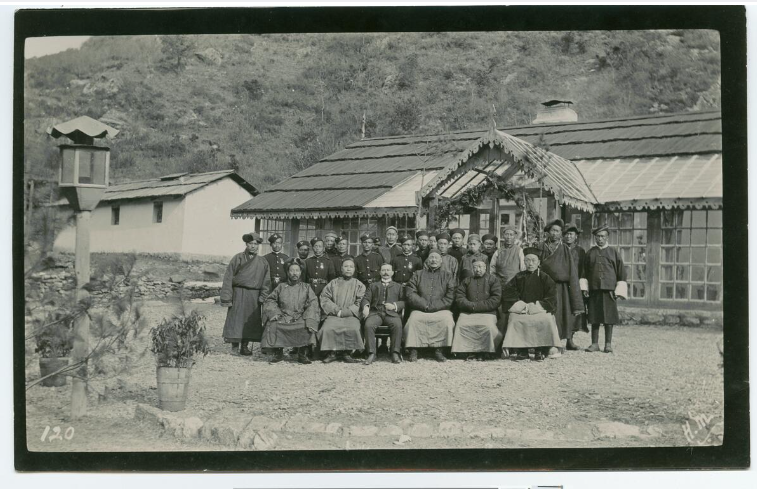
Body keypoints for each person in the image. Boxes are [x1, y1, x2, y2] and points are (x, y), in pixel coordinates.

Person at [501, 247, 562, 361]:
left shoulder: (545, 278)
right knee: (515, 319)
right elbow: (509, 293)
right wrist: (522, 306)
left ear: (539, 262)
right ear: (524, 261)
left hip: (539, 309)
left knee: (546, 319)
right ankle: (521, 350)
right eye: (528, 260)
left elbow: (551, 297)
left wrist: (536, 307)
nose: (530, 263)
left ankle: (541, 349)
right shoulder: (518, 277)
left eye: (534, 260)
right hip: (522, 309)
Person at [532, 219, 583, 355]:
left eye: (557, 231)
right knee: (545, 312)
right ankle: (543, 341)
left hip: (561, 287)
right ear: (548, 232)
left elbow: (572, 270)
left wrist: (575, 292)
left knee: (561, 313)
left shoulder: (565, 248)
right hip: (544, 286)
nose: (554, 233)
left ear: (561, 233)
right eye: (552, 230)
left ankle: (560, 341)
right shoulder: (541, 247)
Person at [220, 232, 272, 356]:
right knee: (236, 319)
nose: (253, 246)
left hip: (254, 295)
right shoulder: (237, 258)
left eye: (255, 244)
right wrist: (227, 296)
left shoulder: (263, 261)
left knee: (250, 320)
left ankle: (245, 346)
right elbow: (228, 277)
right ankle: (234, 345)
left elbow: (266, 281)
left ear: (258, 245)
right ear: (246, 244)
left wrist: (263, 296)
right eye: (250, 243)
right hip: (238, 292)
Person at [261, 259, 319, 364]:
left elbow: (313, 303)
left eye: (297, 270)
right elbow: (270, 300)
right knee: (274, 324)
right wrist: (275, 313)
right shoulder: (281, 287)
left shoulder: (306, 287)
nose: (294, 273)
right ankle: (278, 352)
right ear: (288, 272)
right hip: (283, 316)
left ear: (301, 272)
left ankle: (302, 354)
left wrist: (308, 317)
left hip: (300, 316)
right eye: (292, 270)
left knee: (306, 326)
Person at [404, 251, 457, 362]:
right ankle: (414, 349)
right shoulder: (418, 274)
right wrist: (425, 305)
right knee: (413, 320)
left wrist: (433, 307)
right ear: (427, 261)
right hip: (421, 308)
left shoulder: (447, 276)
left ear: (441, 261)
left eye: (436, 258)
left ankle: (440, 349)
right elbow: (410, 293)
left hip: (441, 309)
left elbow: (450, 296)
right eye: (431, 257)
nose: (433, 260)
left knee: (447, 320)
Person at [582, 225, 627, 353]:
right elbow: (584, 272)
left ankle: (608, 344)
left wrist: (618, 290)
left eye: (602, 236)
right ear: (595, 237)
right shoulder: (590, 253)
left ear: (607, 237)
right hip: (594, 290)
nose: (600, 239)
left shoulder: (613, 252)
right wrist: (585, 288)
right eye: (598, 236)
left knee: (609, 317)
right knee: (594, 317)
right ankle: (594, 343)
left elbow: (621, 272)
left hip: (609, 291)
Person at [451, 257, 503, 360]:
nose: (478, 269)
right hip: (468, 312)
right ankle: (466, 351)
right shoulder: (467, 281)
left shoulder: (493, 280)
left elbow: (496, 299)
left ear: (485, 268)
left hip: (488, 312)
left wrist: (475, 306)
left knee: (487, 326)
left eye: (480, 267)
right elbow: (460, 297)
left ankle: (486, 351)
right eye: (475, 267)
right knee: (461, 325)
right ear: (472, 269)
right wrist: (470, 306)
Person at [318, 258, 366, 363]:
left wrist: (346, 312)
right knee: (327, 328)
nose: (348, 269)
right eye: (346, 266)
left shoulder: (359, 285)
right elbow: (325, 298)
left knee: (354, 328)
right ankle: (332, 352)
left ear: (354, 270)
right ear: (341, 269)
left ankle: (347, 352)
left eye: (351, 267)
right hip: (334, 314)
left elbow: (360, 301)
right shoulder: (333, 283)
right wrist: (337, 310)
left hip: (351, 315)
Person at [489, 225, 526, 354]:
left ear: (515, 237)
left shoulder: (519, 251)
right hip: (500, 287)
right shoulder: (498, 251)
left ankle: (514, 345)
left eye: (511, 235)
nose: (509, 237)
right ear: (503, 236)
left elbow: (523, 270)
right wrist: (495, 283)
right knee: (501, 315)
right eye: (506, 234)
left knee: (513, 314)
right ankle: (499, 344)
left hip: (514, 288)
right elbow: (492, 269)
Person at [361, 263, 404, 365]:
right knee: (368, 325)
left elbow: (404, 301)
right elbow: (366, 298)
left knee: (397, 325)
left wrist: (394, 305)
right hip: (376, 312)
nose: (386, 272)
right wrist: (366, 306)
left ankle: (395, 352)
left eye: (388, 270)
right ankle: (371, 353)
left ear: (392, 273)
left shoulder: (398, 286)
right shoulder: (373, 286)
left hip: (391, 313)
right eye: (383, 270)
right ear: (380, 272)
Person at [564, 222, 589, 347]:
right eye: (566, 234)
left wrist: (583, 286)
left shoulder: (580, 251)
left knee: (574, 311)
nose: (568, 237)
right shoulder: (559, 248)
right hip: (562, 284)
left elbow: (583, 269)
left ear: (576, 236)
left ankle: (570, 339)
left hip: (575, 285)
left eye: (571, 234)